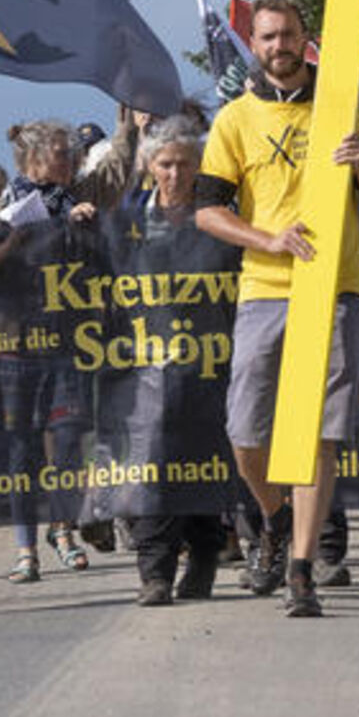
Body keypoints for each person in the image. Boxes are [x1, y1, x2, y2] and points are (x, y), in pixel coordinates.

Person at [194, 0, 359, 618]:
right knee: (244, 431)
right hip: (265, 290)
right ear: (254, 42)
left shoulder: (344, 106)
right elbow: (207, 211)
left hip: (336, 289)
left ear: (307, 40)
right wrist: (268, 238)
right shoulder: (232, 119)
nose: (280, 46)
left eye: (290, 36)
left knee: (318, 435)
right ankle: (274, 517)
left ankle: (302, 568)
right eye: (270, 36)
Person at [110, 115, 240, 606]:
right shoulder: (131, 224)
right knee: (153, 466)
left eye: (184, 164)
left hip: (211, 362)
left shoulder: (222, 220)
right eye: (165, 163)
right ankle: (155, 571)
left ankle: (204, 559)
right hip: (148, 367)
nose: (174, 173)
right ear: (149, 166)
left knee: (204, 464)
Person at [0, 119, 103, 584]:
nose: (69, 160)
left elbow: (95, 264)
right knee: (21, 448)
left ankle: (63, 528)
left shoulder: (77, 203)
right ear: (33, 159)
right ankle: (24, 547)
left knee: (70, 437)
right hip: (14, 343)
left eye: (72, 152)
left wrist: (86, 231)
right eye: (60, 153)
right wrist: (16, 237)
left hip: (65, 338)